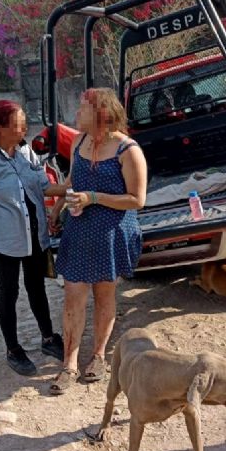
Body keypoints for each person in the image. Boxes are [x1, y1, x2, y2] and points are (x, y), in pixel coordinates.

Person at [48, 88, 147, 395]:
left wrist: (94, 198)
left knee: (104, 295)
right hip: (79, 231)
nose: (76, 114)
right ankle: (69, 363)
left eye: (82, 108)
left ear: (101, 112)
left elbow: (137, 199)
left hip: (110, 232)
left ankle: (99, 356)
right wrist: (57, 207)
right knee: (73, 296)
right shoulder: (78, 142)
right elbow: (70, 184)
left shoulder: (127, 150)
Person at [0, 100, 68, 376]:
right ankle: (13, 349)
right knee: (9, 292)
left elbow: (44, 186)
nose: (24, 128)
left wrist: (70, 188)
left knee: (37, 288)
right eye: (19, 124)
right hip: (4, 241)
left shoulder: (26, 154)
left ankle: (47, 338)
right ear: (1, 127)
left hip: (34, 236)